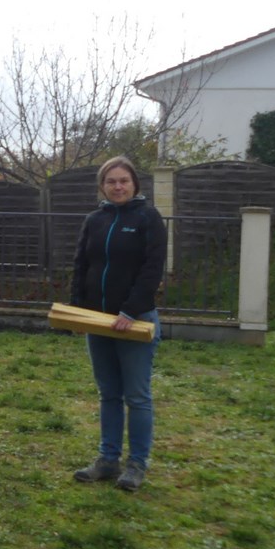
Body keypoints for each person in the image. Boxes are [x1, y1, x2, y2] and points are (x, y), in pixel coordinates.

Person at [69, 155, 166, 492]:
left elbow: (152, 269)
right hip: (99, 322)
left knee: (137, 396)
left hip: (134, 321)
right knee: (109, 393)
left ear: (135, 184)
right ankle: (108, 460)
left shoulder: (148, 219)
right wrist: (78, 311)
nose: (118, 186)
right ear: (102, 186)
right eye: (111, 181)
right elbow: (81, 266)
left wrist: (129, 310)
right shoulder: (94, 220)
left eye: (124, 180)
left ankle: (137, 463)